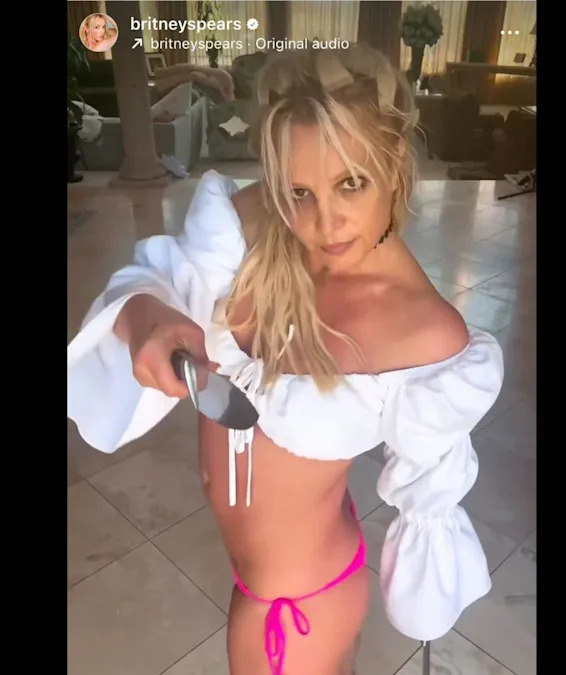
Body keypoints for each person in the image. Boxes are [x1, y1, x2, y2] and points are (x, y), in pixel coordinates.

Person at [66, 45, 503, 675]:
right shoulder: (249, 224)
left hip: (297, 608)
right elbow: (158, 279)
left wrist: (425, 603)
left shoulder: (426, 336)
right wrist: (148, 319)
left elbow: (432, 490)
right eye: (300, 191)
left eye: (351, 183)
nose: (325, 223)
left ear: (395, 162)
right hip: (265, 579)